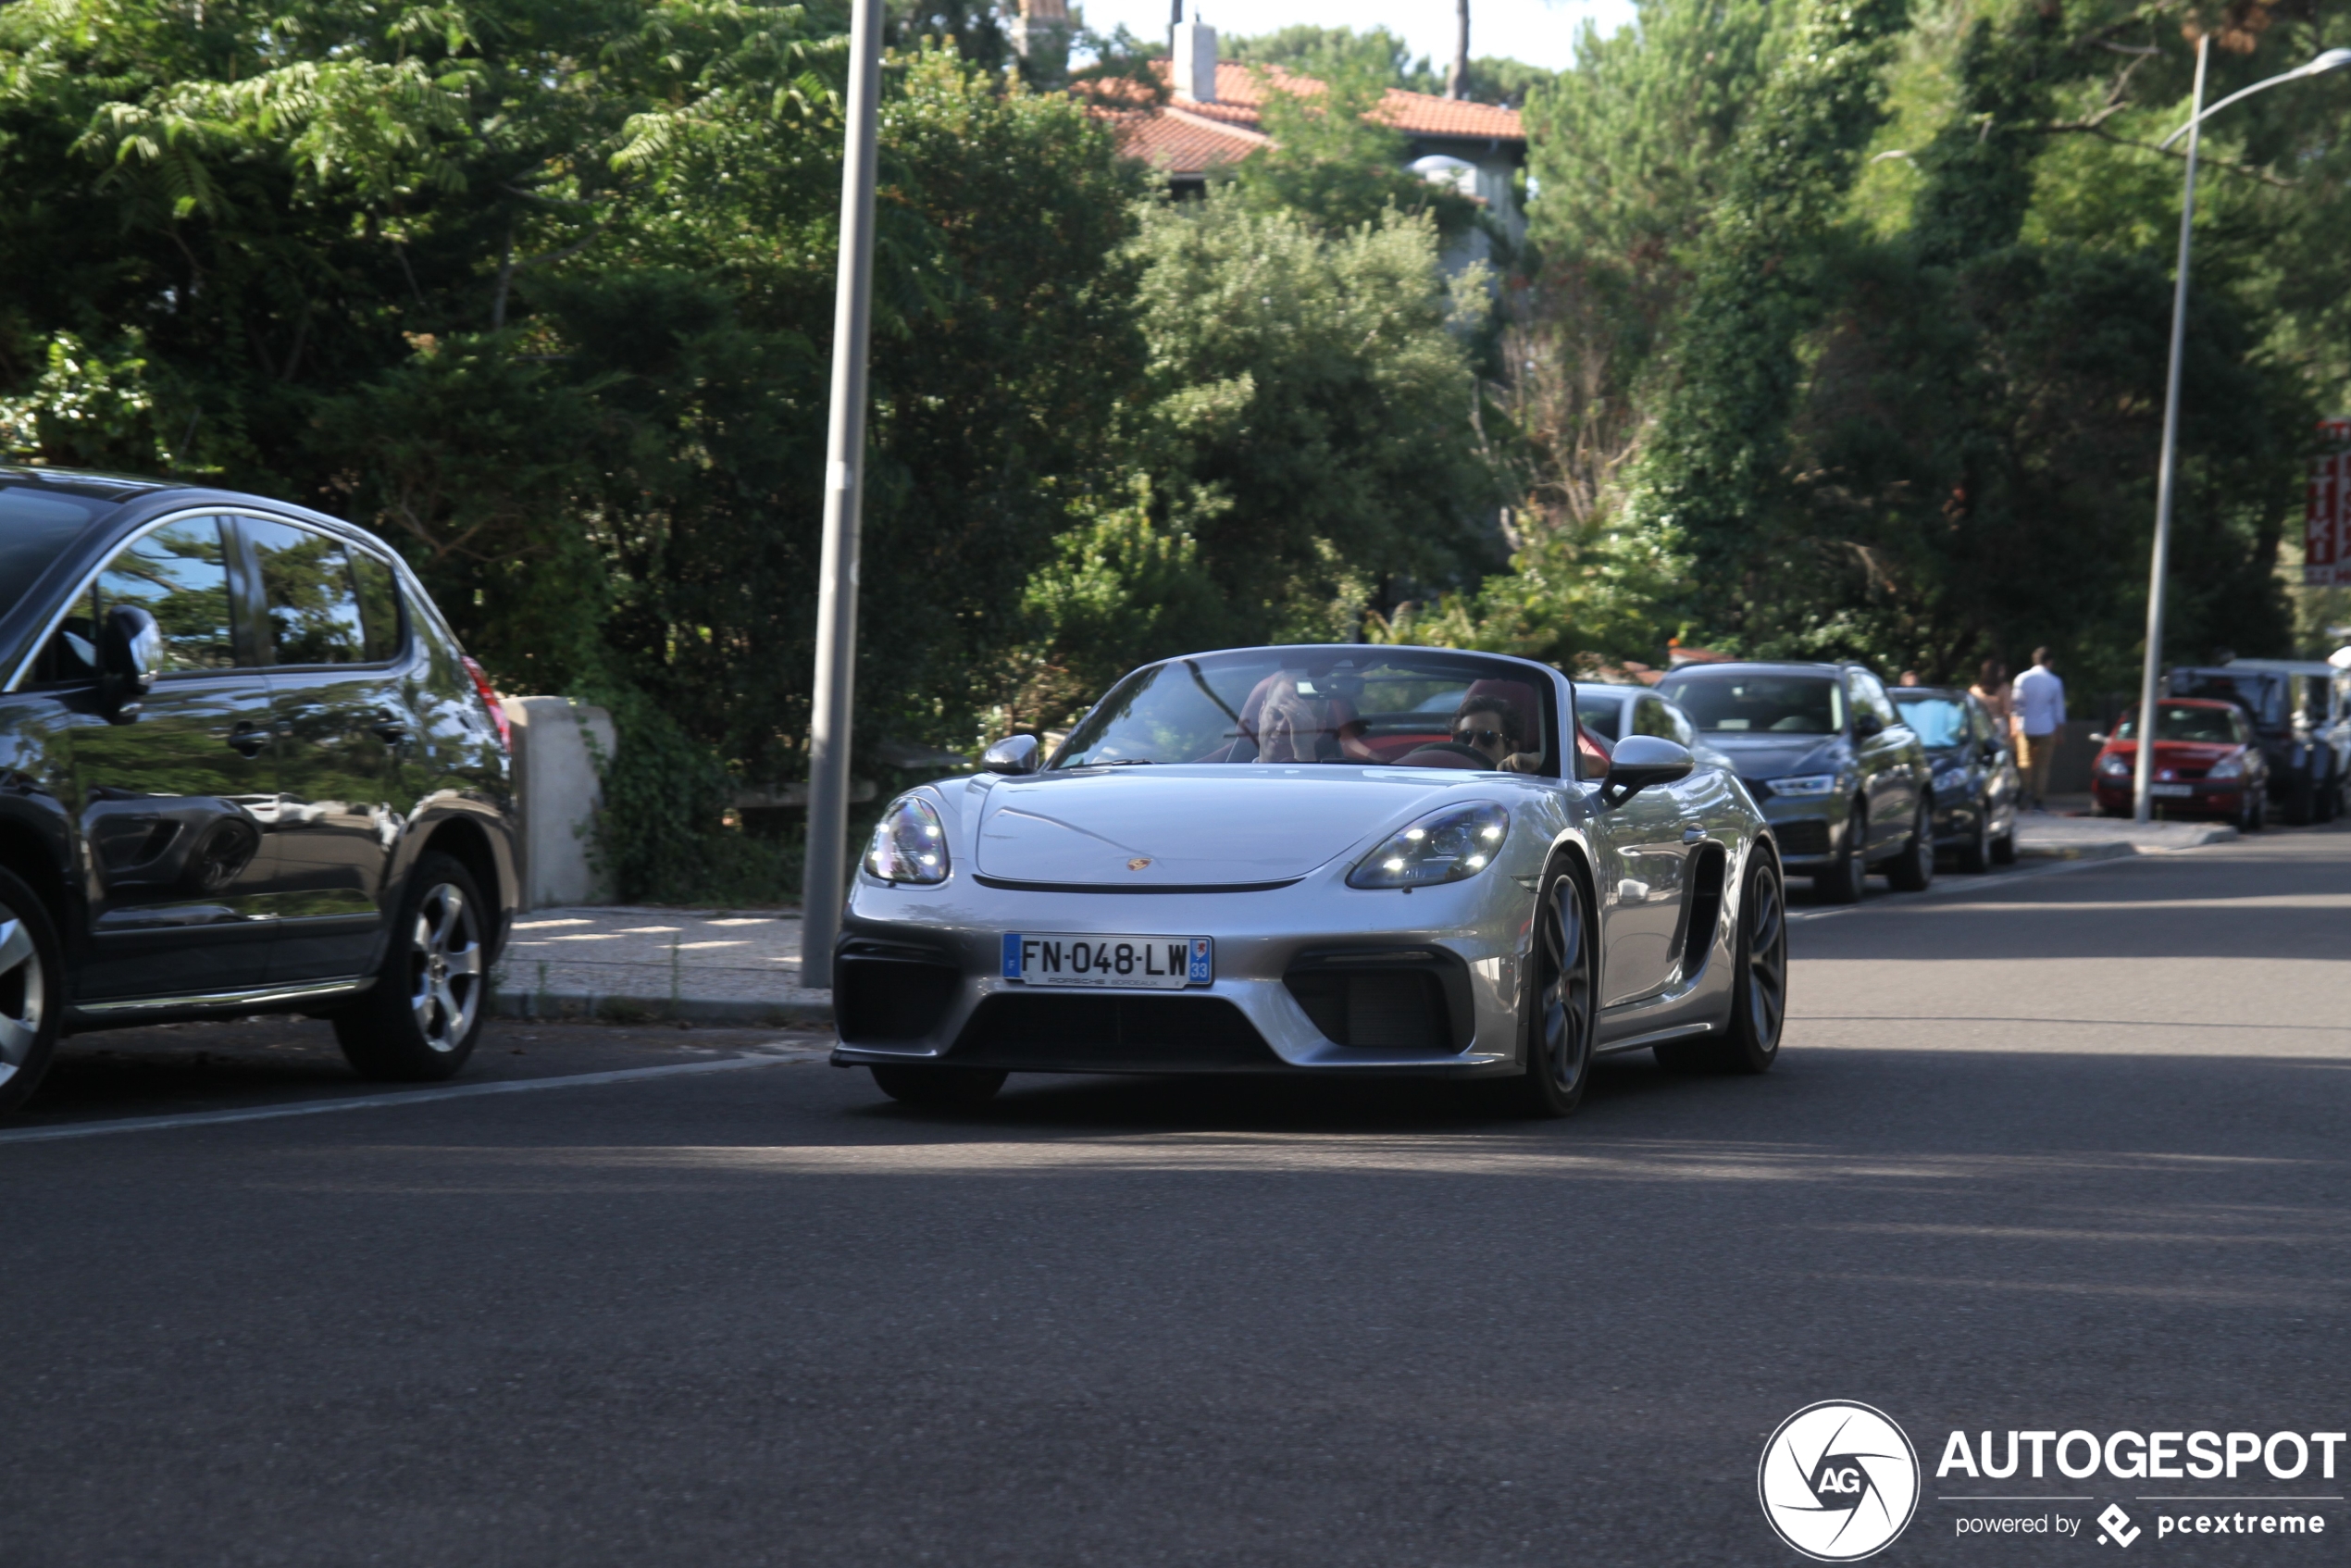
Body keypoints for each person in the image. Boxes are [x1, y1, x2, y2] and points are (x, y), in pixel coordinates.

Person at [2011, 647, 2066, 810]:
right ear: (2049, 662)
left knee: (2024, 762)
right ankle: (2038, 800)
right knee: (2043, 767)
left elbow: (2016, 706)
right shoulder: (2055, 681)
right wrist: (2060, 732)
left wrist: (2014, 726)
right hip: (2046, 728)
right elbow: (2059, 711)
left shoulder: (2021, 678)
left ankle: (2026, 791)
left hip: (2024, 726)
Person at [1969, 658, 2014, 749]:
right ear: (1997, 672)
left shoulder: (1974, 690)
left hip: (1978, 726)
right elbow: (2008, 711)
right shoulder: (2004, 688)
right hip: (1998, 726)